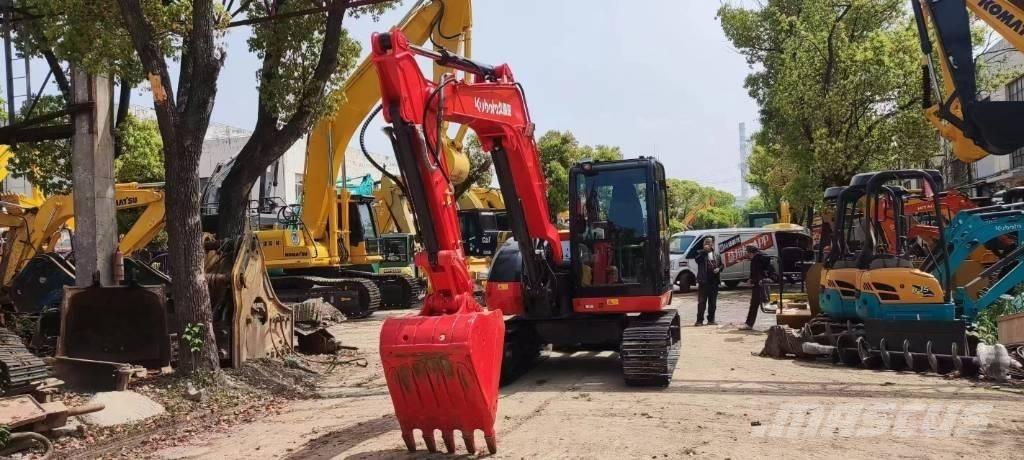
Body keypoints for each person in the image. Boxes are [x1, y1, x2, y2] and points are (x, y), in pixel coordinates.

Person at [741, 245, 776, 330]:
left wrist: (753, 280)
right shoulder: (763, 256)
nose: (747, 255)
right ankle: (749, 324)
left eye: (747, 253)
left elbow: (757, 272)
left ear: (751, 252)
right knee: (762, 304)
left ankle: (749, 324)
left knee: (754, 305)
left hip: (759, 284)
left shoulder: (757, 259)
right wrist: (751, 279)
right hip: (763, 283)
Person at [694, 237, 722, 326]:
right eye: (705, 242)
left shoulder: (716, 254)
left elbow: (721, 265)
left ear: (712, 244)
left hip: (714, 282)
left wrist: (719, 269)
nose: (707, 244)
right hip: (703, 282)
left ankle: (711, 320)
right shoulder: (700, 254)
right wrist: (704, 252)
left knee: (713, 302)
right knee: (702, 302)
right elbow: (697, 260)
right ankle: (699, 321)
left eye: (709, 242)